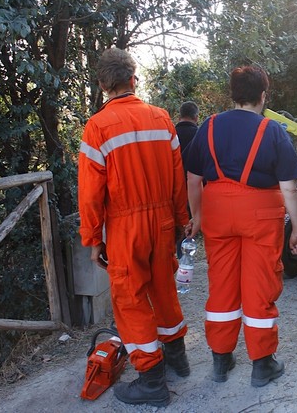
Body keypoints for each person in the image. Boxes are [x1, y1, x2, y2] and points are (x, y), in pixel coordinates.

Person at [77, 48, 190, 407]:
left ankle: (152, 380)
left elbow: (90, 194)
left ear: (102, 85)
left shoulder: (97, 127)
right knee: (163, 289)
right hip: (162, 222)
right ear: (133, 78)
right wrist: (182, 220)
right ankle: (178, 359)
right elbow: (178, 179)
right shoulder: (162, 118)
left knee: (130, 300)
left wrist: (93, 239)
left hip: (126, 226)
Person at [183, 65, 297, 387]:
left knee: (222, 284)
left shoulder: (207, 127)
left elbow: (194, 179)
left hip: (217, 212)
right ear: (263, 95)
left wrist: (196, 217)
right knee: (260, 285)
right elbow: (289, 188)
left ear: (232, 94)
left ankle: (221, 360)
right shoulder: (273, 130)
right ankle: (262, 364)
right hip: (260, 215)